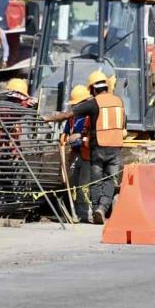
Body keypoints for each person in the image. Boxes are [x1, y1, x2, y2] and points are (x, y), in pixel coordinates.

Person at [44, 70, 126, 224]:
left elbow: (69, 114)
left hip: (98, 148)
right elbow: (123, 126)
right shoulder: (119, 102)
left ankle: (96, 210)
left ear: (94, 89)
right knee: (109, 181)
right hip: (115, 148)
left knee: (95, 181)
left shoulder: (94, 103)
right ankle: (102, 208)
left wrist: (50, 118)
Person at [61, 85, 93, 222]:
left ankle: (84, 214)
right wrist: (65, 138)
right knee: (72, 183)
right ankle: (74, 211)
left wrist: (79, 137)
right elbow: (65, 133)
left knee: (83, 186)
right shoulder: (71, 118)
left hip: (87, 155)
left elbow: (93, 135)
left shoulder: (91, 116)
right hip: (75, 154)